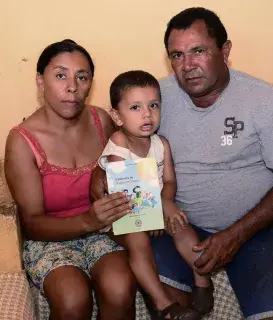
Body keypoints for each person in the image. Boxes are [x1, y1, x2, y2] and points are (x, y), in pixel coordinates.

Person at [91, 7, 273, 320]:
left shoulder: (264, 100)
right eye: (176, 55)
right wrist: (101, 181)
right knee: (171, 309)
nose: (188, 66)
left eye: (198, 51)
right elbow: (121, 143)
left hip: (259, 229)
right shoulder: (156, 98)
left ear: (225, 51)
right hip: (178, 225)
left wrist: (233, 236)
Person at [4, 39, 136, 320]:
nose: (72, 87)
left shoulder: (102, 120)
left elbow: (126, 160)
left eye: (82, 77)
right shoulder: (22, 140)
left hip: (103, 232)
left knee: (120, 286)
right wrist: (88, 220)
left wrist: (104, 170)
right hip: (49, 240)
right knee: (72, 298)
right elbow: (32, 224)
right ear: (40, 81)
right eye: (60, 75)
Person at [96, 70, 213, 320]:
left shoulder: (162, 144)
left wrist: (166, 204)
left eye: (153, 105)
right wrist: (154, 212)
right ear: (117, 116)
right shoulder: (120, 142)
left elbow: (169, 181)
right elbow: (124, 187)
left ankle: (202, 279)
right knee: (138, 240)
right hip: (123, 211)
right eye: (135, 107)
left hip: (154, 204)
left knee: (180, 223)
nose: (147, 114)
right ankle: (163, 304)